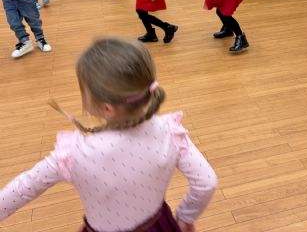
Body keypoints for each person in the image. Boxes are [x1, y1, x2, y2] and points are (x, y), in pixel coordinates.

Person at [0, 37, 217, 232]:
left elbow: (22, 189)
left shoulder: (73, 153)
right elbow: (207, 182)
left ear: (107, 108)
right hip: (159, 225)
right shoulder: (171, 131)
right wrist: (186, 217)